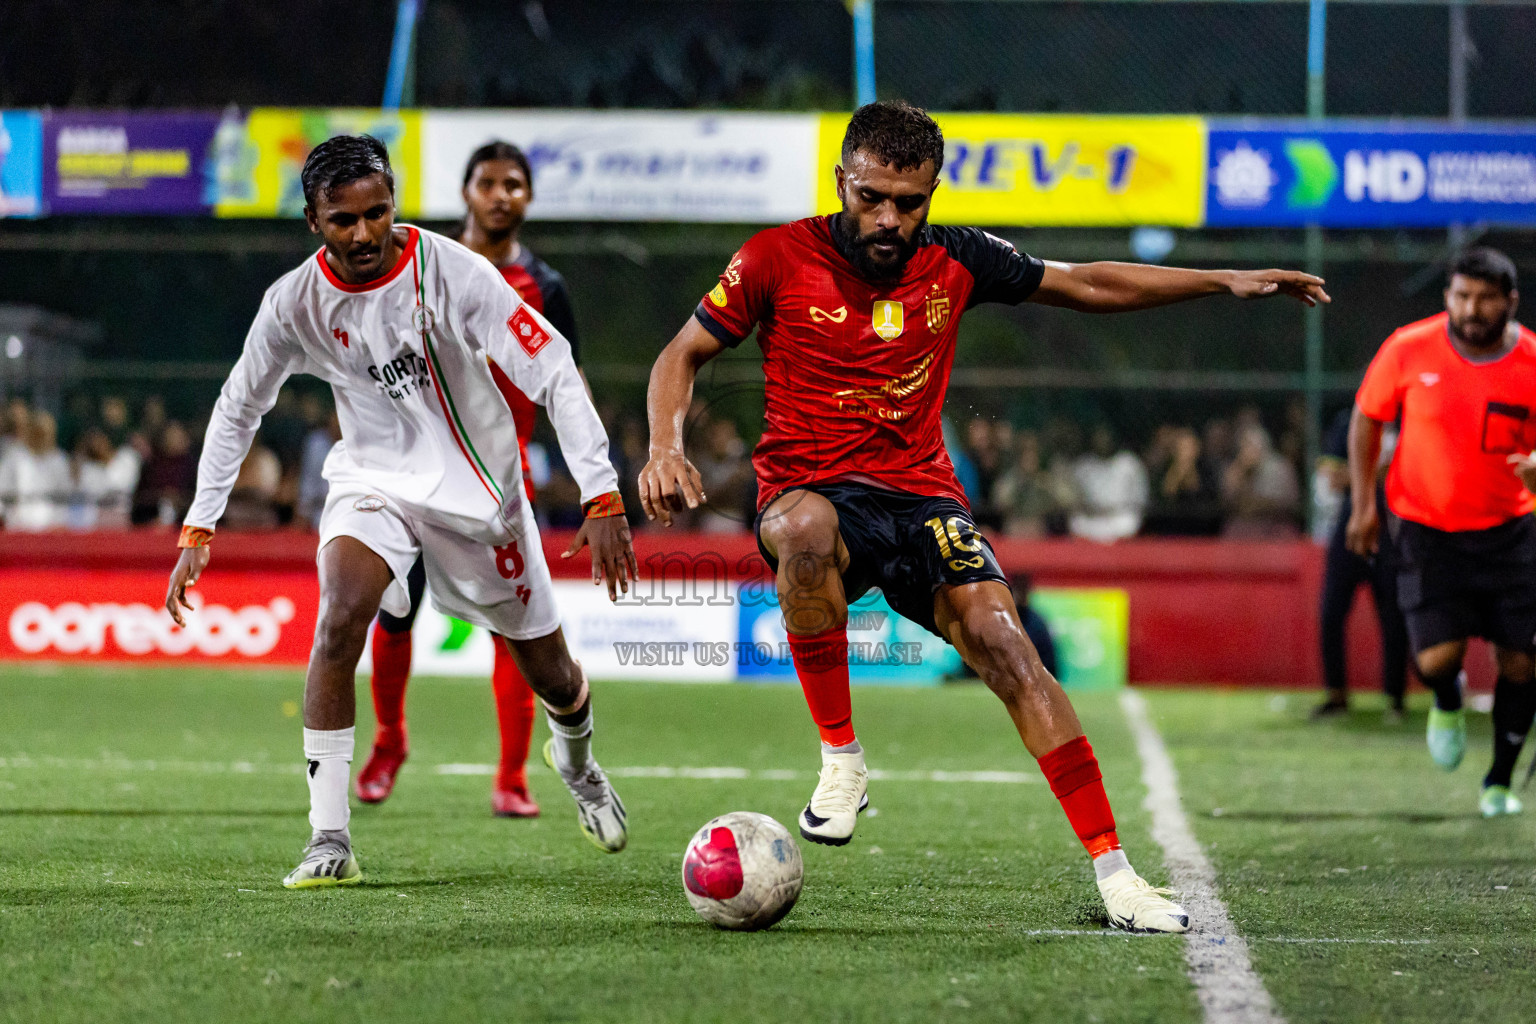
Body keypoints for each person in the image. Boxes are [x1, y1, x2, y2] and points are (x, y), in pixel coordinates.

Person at [640, 101, 1328, 933]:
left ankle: (1118, 877)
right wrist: (663, 446)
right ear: (841, 184)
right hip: (811, 489)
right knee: (802, 535)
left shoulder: (959, 257)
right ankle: (841, 762)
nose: (890, 218)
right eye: (872, 197)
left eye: (910, 201)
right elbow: (682, 353)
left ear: (932, 194)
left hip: (924, 498)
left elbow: (1085, 282)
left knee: (1008, 647)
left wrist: (1220, 280)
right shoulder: (775, 256)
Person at [163, 134, 636, 888]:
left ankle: (577, 767)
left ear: (393, 205)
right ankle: (329, 838)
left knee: (552, 673)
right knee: (341, 613)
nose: (363, 234)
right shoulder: (293, 302)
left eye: (376, 213)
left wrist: (601, 491)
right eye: (342, 219)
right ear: (314, 221)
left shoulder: (454, 272)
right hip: (373, 481)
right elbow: (237, 406)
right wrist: (199, 523)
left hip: (481, 496)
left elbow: (552, 368)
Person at [355, 141, 590, 819]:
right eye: (487, 182)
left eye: (513, 184)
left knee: (512, 627)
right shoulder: (418, 265)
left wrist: (591, 475)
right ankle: (390, 742)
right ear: (466, 193)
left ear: (527, 198)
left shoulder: (546, 288)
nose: (500, 194)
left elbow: (564, 381)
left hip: (495, 480)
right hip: (413, 470)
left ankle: (512, 776)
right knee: (396, 609)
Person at [1348, 247, 1536, 818]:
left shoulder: (1532, 360)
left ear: (1510, 302)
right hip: (1425, 528)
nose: (1471, 309)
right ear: (1447, 296)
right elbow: (1367, 418)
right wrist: (1363, 506)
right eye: (1460, 296)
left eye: (1484, 298)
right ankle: (1448, 699)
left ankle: (1499, 783)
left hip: (1512, 530)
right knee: (1433, 661)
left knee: (1523, 663)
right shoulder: (1408, 348)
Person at [1313, 409, 1409, 719]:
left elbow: (1413, 473)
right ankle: (1336, 694)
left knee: (1394, 615)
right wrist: (1380, 471)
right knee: (1331, 610)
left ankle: (1395, 697)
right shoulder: (1348, 421)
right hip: (1352, 525)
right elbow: (1331, 477)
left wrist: (1358, 472)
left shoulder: (1411, 419)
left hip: (1393, 528)